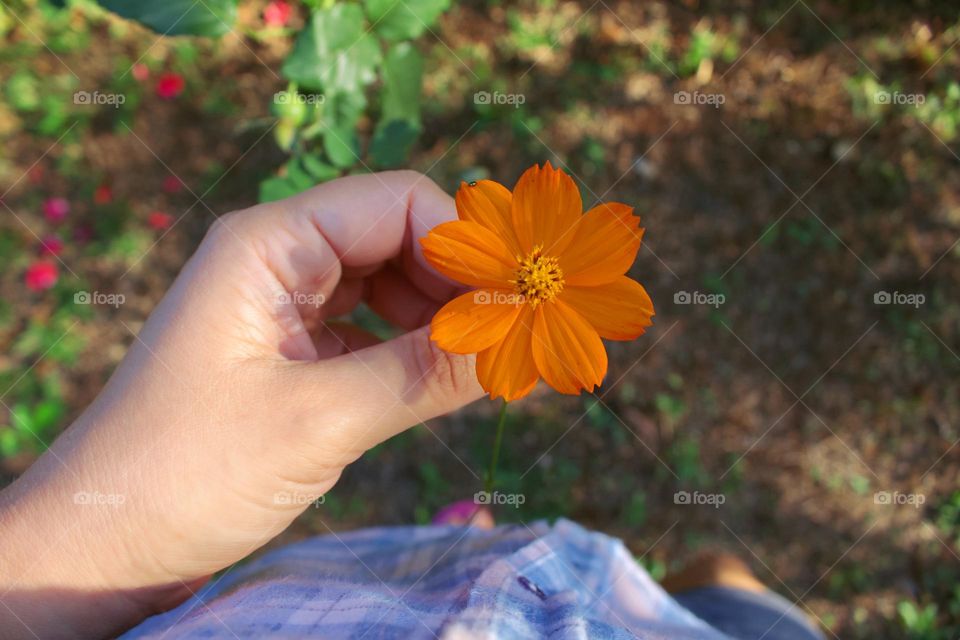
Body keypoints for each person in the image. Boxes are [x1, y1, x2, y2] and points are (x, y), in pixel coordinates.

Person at [0, 172, 825, 639]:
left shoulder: (582, 294)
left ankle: (478, 542)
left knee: (720, 585)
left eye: (541, 274)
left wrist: (88, 551)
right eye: (535, 271)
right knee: (732, 595)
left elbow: (594, 289)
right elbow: (474, 264)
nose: (537, 277)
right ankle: (488, 543)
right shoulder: (494, 279)